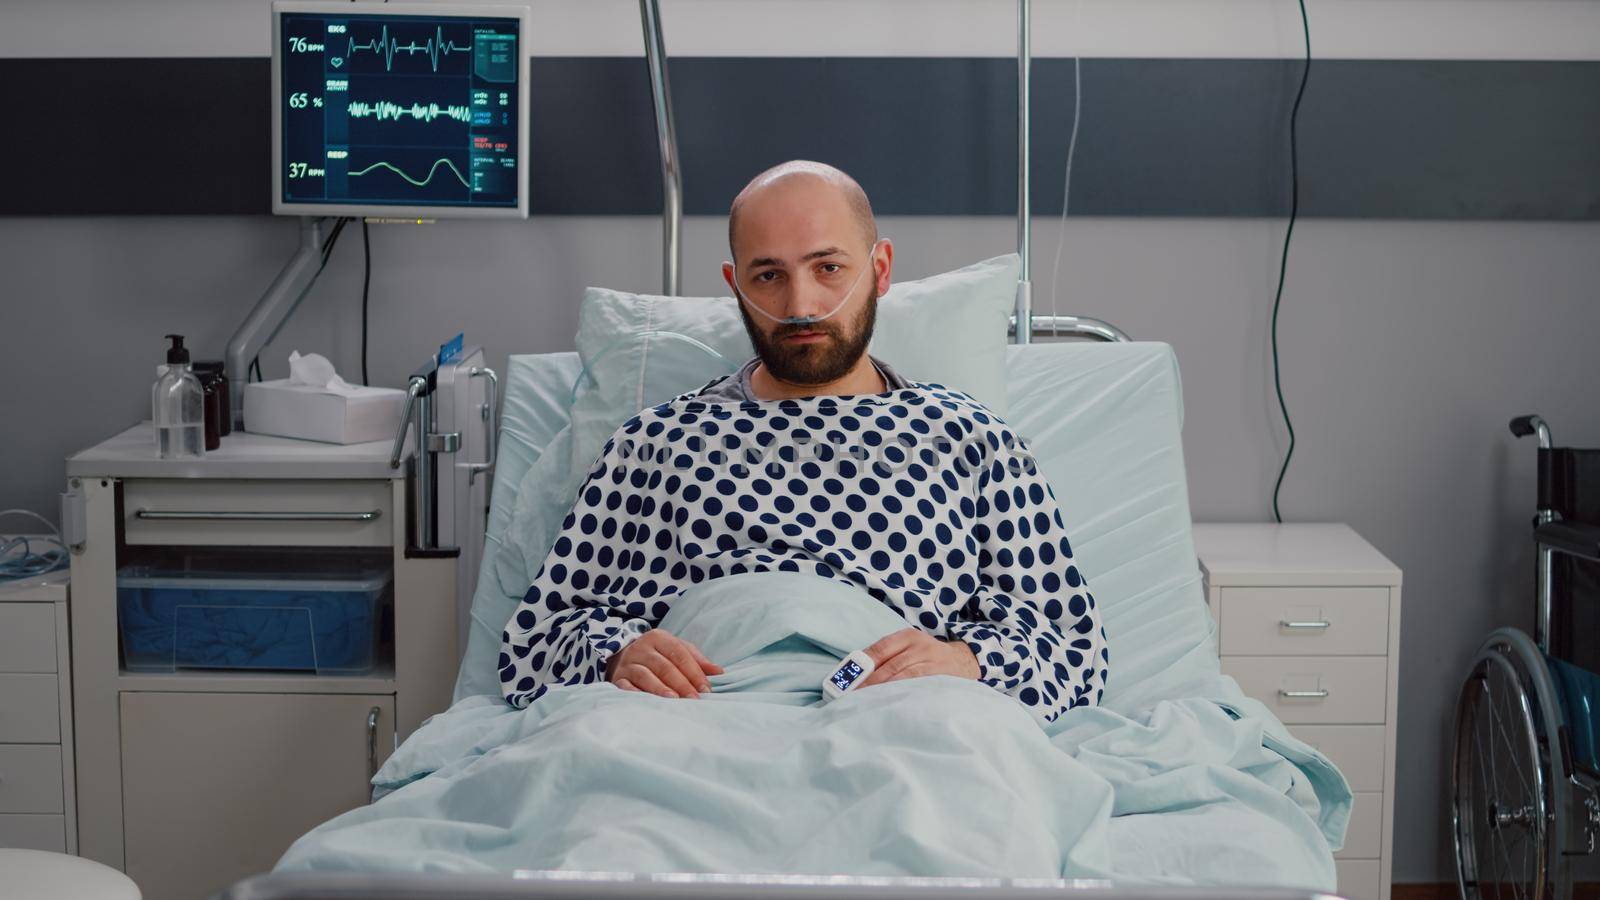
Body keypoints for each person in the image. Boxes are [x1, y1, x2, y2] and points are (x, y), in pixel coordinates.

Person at [498, 161, 1107, 723]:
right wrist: (616, 654)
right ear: (736, 286)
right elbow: (535, 640)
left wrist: (965, 662)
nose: (800, 305)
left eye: (828, 268)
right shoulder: (655, 442)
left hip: (896, 726)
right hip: (690, 722)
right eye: (769, 275)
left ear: (881, 269)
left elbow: (1073, 652)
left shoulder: (969, 441)